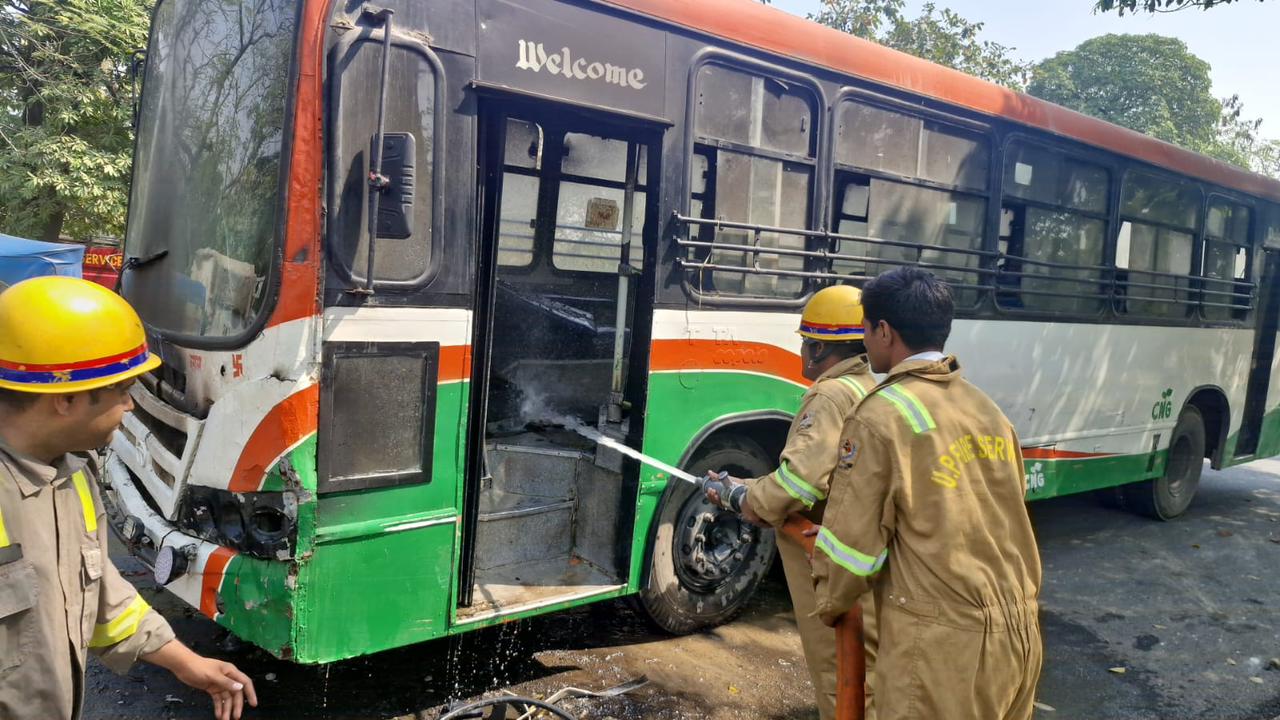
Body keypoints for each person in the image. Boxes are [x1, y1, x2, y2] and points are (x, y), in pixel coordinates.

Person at [0, 276, 258, 720]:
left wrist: (187, 662)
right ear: (66, 398)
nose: (131, 406)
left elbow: (97, 591)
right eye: (121, 391)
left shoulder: (71, 473)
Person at [812, 267, 1042, 720]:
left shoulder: (880, 416)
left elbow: (851, 551)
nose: (864, 341)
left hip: (944, 648)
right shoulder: (986, 410)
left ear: (884, 331)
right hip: (1020, 635)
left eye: (865, 329)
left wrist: (829, 601)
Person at [705, 284, 879, 720]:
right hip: (862, 561)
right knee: (868, 676)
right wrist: (753, 486)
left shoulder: (828, 396)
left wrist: (739, 497)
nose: (802, 350)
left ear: (819, 348)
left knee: (837, 675)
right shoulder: (866, 387)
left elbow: (800, 486)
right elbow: (829, 474)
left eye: (805, 341)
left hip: (828, 567)